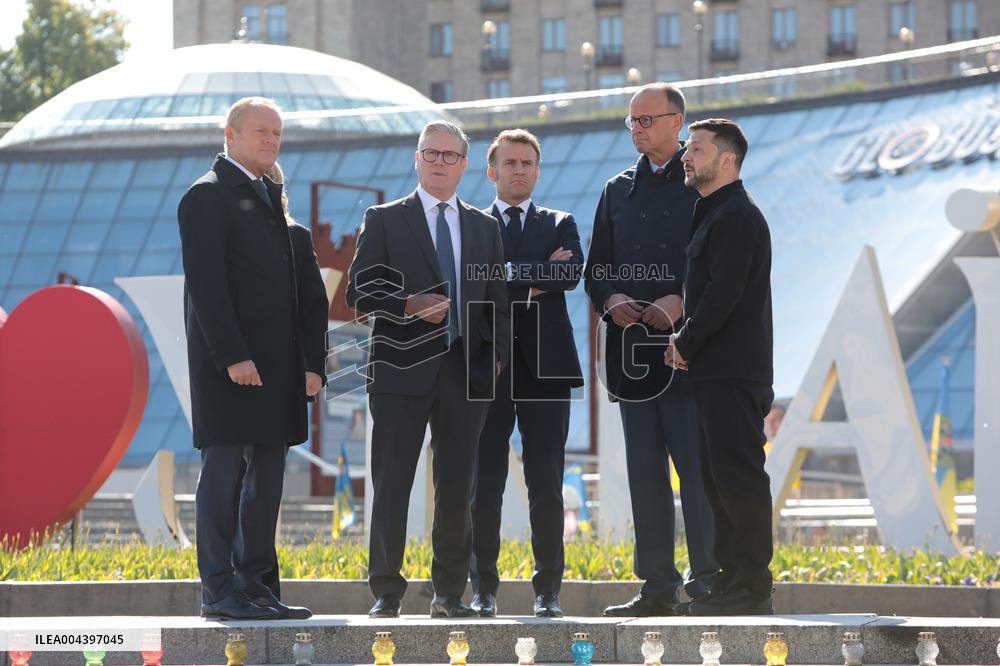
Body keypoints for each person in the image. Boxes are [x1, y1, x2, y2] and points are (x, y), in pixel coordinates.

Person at [346, 120, 510, 619]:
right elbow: (358, 293)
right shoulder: (385, 219)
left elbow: (498, 301)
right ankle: (386, 593)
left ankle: (448, 595)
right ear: (416, 159)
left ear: (465, 165)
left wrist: (495, 357)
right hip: (399, 372)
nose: (439, 163)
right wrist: (408, 303)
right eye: (431, 154)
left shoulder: (484, 227)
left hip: (466, 374)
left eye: (449, 155)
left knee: (458, 488)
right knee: (392, 483)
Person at [178, 97, 329, 620]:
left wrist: (314, 365)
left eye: (278, 133)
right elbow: (206, 287)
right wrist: (233, 357)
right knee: (222, 478)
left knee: (267, 484)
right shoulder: (207, 195)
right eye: (261, 131)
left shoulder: (274, 202)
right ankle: (220, 592)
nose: (271, 140)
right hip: (232, 370)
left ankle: (257, 586)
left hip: (281, 372)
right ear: (230, 134)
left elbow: (310, 300)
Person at [584, 82, 718, 617]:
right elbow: (596, 269)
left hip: (690, 354)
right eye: (631, 120)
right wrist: (611, 296)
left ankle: (708, 581)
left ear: (677, 122)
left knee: (697, 472)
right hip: (632, 358)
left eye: (646, 119)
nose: (637, 128)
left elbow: (723, 266)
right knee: (644, 474)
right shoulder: (617, 190)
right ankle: (656, 587)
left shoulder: (705, 182)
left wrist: (680, 299)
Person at [470, 129, 584, 619]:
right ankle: (483, 591)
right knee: (485, 483)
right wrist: (538, 274)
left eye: (527, 163)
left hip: (547, 369)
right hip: (488, 365)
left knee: (546, 483)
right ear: (492, 171)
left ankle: (548, 593)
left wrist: (511, 277)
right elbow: (473, 281)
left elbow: (570, 275)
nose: (519, 170)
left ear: (538, 172)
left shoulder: (562, 222)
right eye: (510, 163)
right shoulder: (472, 226)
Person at [666, 118, 775, 616]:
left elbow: (722, 293)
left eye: (697, 148)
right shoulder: (711, 211)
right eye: (688, 148)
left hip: (733, 371)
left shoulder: (736, 216)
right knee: (717, 480)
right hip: (716, 372)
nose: (686, 155)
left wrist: (684, 341)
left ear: (727, 159)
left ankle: (751, 587)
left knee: (738, 478)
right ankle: (733, 583)